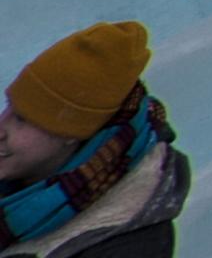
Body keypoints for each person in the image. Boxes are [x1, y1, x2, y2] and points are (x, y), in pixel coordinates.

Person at [0, 21, 189, 256]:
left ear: (70, 132)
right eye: (9, 106)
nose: (1, 127)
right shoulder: (27, 174)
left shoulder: (127, 248)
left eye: (22, 119)